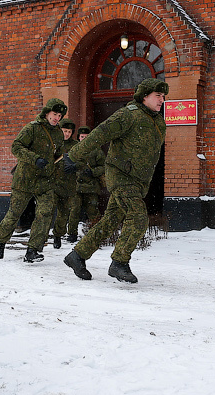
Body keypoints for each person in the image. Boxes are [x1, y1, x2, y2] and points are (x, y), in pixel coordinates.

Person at [62, 78, 167, 283]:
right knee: (138, 218)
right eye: (158, 96)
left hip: (139, 181)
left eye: (163, 96)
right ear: (144, 96)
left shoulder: (158, 121)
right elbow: (100, 134)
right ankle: (119, 263)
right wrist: (74, 155)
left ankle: (78, 255)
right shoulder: (128, 115)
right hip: (121, 176)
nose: (162, 100)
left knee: (110, 220)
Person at [0, 98, 73, 263]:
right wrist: (34, 158)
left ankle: (32, 250)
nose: (56, 118)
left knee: (44, 214)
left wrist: (62, 163)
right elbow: (16, 146)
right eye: (54, 114)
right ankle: (1, 242)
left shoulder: (58, 133)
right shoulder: (32, 128)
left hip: (45, 181)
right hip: (25, 179)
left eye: (59, 115)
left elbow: (56, 155)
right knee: (15, 213)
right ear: (47, 113)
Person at [68, 126, 106, 242]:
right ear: (79, 138)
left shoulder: (96, 150)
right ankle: (72, 234)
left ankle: (97, 235)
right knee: (74, 210)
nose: (84, 138)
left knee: (93, 211)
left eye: (86, 137)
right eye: (82, 137)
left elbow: (103, 166)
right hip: (76, 186)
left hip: (91, 187)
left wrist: (93, 171)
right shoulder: (74, 150)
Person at [51, 118, 78, 249]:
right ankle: (40, 238)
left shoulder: (76, 145)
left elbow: (84, 161)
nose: (66, 134)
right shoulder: (54, 143)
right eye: (64, 131)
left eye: (69, 131)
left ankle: (58, 235)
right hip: (53, 184)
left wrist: (76, 166)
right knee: (46, 211)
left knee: (63, 214)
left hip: (69, 185)